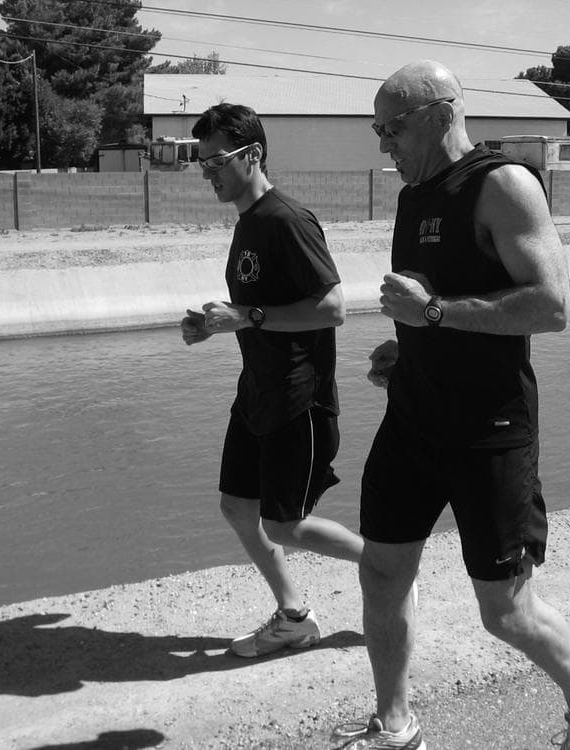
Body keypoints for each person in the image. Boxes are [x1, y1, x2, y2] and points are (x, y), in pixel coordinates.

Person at [330, 62, 570, 750]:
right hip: (413, 419)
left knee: (506, 612)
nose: (383, 144)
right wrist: (409, 346)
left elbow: (552, 307)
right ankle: (396, 726)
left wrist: (430, 312)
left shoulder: (503, 185)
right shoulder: (413, 198)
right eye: (377, 129)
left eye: (391, 127)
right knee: (382, 572)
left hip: (489, 428)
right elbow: (446, 308)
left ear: (440, 113)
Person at [181, 103, 363, 658]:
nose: (207, 172)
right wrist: (217, 324)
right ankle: (294, 616)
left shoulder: (287, 219)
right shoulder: (248, 223)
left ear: (252, 155)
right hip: (256, 391)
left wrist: (246, 317)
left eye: (216, 160)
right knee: (237, 508)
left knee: (283, 525)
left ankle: (389, 561)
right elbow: (260, 306)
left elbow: (332, 308)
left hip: (297, 396)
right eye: (202, 162)